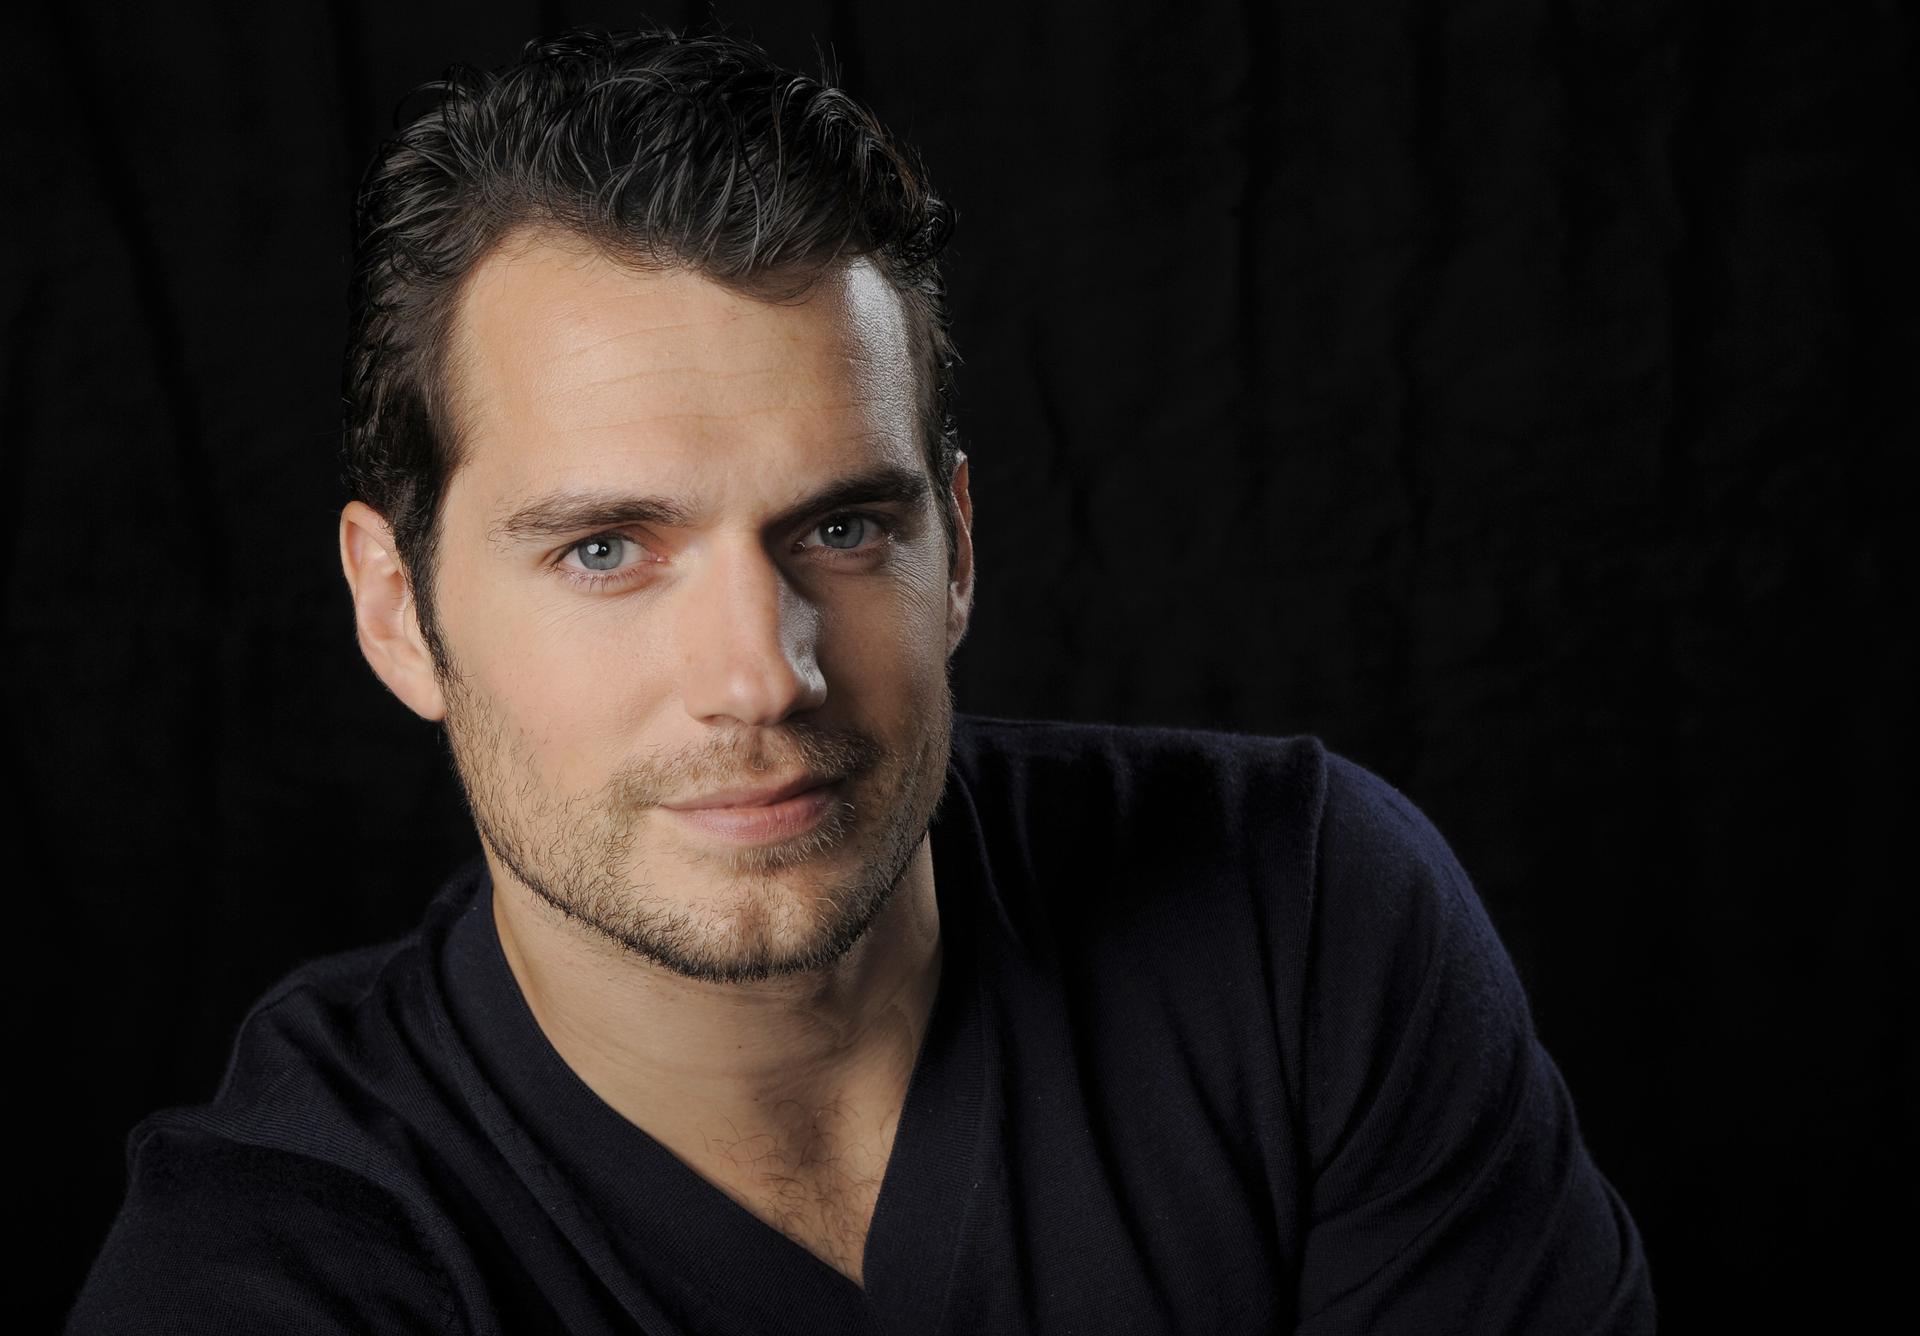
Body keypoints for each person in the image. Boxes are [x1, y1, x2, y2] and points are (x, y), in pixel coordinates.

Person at [67, 25, 1655, 1335]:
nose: (763, 677)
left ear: (954, 548)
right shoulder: (278, 1271)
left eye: (840, 528)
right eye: (607, 550)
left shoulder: (1296, 919)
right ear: (398, 613)